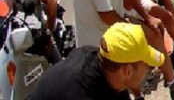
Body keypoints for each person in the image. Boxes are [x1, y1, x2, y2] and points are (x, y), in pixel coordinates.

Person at [30, 22, 165, 100]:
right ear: (128, 71)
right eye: (147, 67)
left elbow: (122, 89)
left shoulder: (102, 61)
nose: (148, 70)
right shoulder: (83, 92)